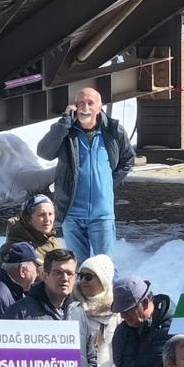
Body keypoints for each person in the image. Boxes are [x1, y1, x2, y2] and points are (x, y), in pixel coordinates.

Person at [35, 86, 136, 262]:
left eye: (90, 103)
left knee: (104, 267)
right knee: (77, 268)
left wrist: (108, 182)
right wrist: (64, 123)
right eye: (81, 103)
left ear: (99, 107)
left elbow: (128, 159)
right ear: (74, 106)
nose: (85, 107)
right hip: (72, 213)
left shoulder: (113, 130)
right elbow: (44, 152)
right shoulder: (65, 131)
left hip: (101, 214)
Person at [4, 249, 98, 367]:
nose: (65, 278)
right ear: (45, 275)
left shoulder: (78, 312)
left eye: (70, 273)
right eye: (58, 272)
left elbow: (90, 356)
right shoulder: (20, 313)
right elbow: (9, 362)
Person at [108, 275, 174, 367]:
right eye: (121, 312)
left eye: (127, 310)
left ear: (144, 303)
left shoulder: (175, 330)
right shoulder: (122, 332)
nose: (123, 316)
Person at [75, 254, 119, 367]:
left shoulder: (117, 309)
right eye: (80, 275)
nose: (83, 281)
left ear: (103, 280)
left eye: (88, 277)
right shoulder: (72, 307)